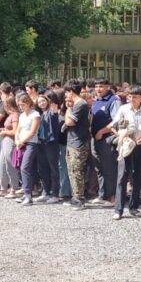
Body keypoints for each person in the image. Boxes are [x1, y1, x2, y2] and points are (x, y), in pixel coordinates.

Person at [110, 87, 141, 220]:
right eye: (130, 97)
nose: (132, 99)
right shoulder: (123, 109)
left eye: (135, 97)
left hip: (140, 145)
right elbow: (113, 126)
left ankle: (134, 207)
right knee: (122, 176)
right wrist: (121, 135)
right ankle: (118, 209)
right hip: (125, 145)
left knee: (138, 176)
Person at [90, 79, 121, 206]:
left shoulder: (114, 101)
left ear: (108, 87)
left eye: (101, 86)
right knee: (99, 168)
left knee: (109, 168)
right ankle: (102, 195)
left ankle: (112, 197)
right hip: (95, 139)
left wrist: (102, 131)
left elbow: (117, 121)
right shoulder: (97, 101)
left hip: (108, 138)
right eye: (96, 86)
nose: (98, 89)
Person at [62, 81, 92, 209]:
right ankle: (75, 197)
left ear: (71, 91)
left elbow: (69, 122)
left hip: (79, 142)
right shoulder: (76, 104)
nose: (65, 96)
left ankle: (79, 199)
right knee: (71, 170)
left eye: (66, 92)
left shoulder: (81, 104)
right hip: (72, 141)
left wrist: (68, 109)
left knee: (77, 171)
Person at [15, 93, 43, 205]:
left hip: (31, 143)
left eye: (22, 104)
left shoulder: (35, 114)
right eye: (19, 105)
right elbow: (18, 130)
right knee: (22, 168)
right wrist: (17, 140)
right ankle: (27, 192)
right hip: (21, 143)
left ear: (28, 103)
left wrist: (22, 141)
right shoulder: (22, 116)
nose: (21, 107)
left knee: (25, 168)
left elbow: (33, 132)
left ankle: (28, 194)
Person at [37, 94, 62, 204]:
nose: (41, 103)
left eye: (43, 101)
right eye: (39, 102)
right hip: (41, 142)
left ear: (47, 101)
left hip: (51, 143)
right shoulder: (41, 114)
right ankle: (46, 192)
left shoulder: (51, 112)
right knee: (43, 169)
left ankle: (55, 194)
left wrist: (55, 111)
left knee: (53, 169)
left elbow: (54, 115)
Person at [0, 95, 21, 198]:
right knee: (1, 165)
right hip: (6, 140)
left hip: (11, 141)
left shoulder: (15, 115)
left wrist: (5, 132)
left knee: (10, 165)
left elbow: (15, 131)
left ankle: (13, 188)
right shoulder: (11, 115)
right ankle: (3, 188)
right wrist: (4, 130)